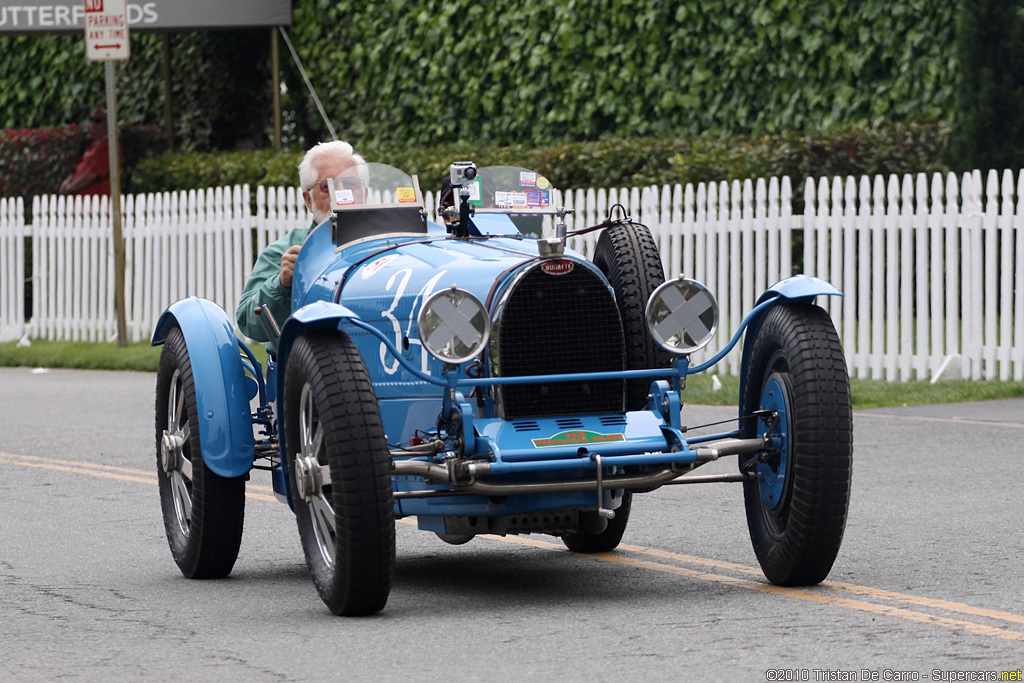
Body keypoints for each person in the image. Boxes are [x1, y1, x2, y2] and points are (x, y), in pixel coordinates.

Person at [235, 139, 366, 341]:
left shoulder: (392, 245)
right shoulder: (285, 252)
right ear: (308, 200)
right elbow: (247, 321)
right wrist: (282, 284)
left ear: (364, 193)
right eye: (327, 186)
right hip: (304, 365)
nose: (340, 193)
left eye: (349, 184)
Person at [58, 106, 117, 196]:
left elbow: (93, 174)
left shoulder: (109, 146)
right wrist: (68, 180)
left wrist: (70, 188)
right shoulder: (94, 145)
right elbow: (79, 168)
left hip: (96, 201)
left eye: (97, 120)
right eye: (91, 120)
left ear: (107, 122)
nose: (93, 124)